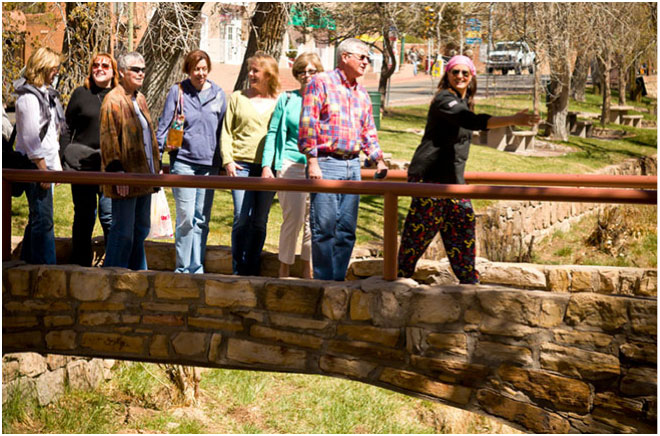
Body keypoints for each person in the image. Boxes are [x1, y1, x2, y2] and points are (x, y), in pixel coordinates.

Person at [397, 55, 540, 284]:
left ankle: (468, 282)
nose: (460, 76)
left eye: (465, 73)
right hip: (429, 179)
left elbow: (468, 120)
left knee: (462, 227)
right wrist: (513, 118)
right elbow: (471, 121)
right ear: (448, 75)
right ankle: (398, 277)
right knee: (419, 234)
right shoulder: (445, 100)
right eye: (455, 72)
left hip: (453, 181)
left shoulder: (463, 102)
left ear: (472, 76)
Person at [299, 38, 388, 281]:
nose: (366, 62)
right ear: (345, 57)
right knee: (324, 228)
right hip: (327, 163)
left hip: (353, 166)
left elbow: (368, 131)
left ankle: (337, 281)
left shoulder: (362, 94)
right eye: (362, 57)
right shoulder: (321, 82)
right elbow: (309, 123)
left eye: (368, 59)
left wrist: (377, 159)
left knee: (347, 231)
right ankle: (324, 282)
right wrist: (312, 160)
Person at [157, 50, 227, 274]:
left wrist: (226, 161)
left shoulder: (218, 94)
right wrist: (157, 158)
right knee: (186, 217)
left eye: (204, 68)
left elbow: (224, 130)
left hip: (209, 165)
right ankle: (183, 267)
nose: (201, 73)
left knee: (201, 219)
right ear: (188, 70)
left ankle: (197, 267)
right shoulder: (178, 91)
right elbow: (164, 125)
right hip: (184, 162)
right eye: (196, 69)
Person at [261, 52, 323, 278]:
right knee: (293, 218)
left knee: (312, 221)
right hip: (289, 165)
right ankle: (284, 266)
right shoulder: (287, 100)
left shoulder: (324, 100)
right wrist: (267, 166)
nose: (307, 75)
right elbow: (273, 132)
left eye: (311, 71)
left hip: (318, 167)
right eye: (302, 71)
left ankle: (308, 266)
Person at [100, 52, 161, 270]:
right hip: (124, 178)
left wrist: (156, 168)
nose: (141, 73)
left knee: (140, 230)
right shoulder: (113, 100)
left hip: (144, 177)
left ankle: (138, 279)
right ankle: (112, 278)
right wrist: (117, 173)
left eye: (143, 69)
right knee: (122, 232)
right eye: (135, 69)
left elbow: (147, 138)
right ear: (122, 72)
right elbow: (108, 138)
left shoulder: (140, 99)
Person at [221, 52, 279, 276]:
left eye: (256, 70)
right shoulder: (237, 97)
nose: (251, 74)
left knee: (260, 221)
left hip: (268, 168)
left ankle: (252, 266)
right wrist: (228, 160)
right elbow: (226, 132)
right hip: (241, 165)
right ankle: (239, 267)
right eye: (250, 70)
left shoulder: (278, 101)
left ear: (268, 73)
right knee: (241, 218)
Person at [60, 53, 118, 267]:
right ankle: (80, 264)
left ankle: (114, 263)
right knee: (83, 216)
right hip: (82, 167)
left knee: (109, 217)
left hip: (109, 167)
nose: (100, 68)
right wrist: (64, 154)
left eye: (105, 65)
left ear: (113, 71)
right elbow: (66, 128)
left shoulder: (118, 95)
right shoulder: (80, 94)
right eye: (96, 65)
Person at [13, 47, 65, 265]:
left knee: (38, 218)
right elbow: (32, 138)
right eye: (54, 68)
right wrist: (43, 169)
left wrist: (56, 168)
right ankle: (45, 269)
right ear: (43, 67)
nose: (56, 72)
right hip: (36, 167)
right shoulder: (28, 99)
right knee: (43, 221)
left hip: (47, 167)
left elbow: (53, 135)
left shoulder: (48, 96)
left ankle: (27, 265)